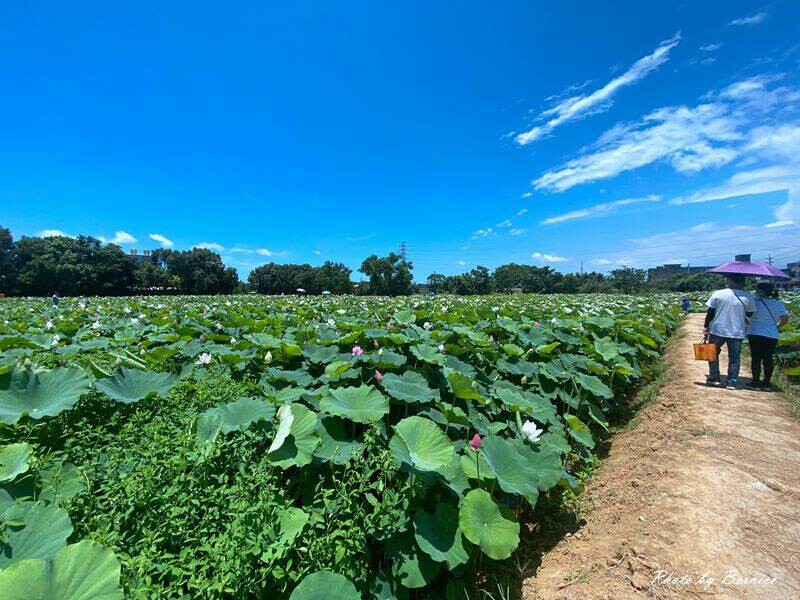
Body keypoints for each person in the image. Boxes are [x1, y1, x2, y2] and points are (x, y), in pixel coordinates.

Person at [703, 275, 755, 389]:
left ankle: (714, 376)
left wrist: (706, 326)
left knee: (712, 353)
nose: (725, 281)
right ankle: (732, 381)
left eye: (727, 279)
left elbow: (710, 312)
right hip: (737, 331)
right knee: (734, 357)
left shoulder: (718, 293)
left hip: (718, 329)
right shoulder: (748, 296)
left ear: (730, 281)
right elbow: (750, 314)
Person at [746, 281, 789, 390]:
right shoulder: (778, 303)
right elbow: (785, 319)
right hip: (771, 335)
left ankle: (755, 382)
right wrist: (777, 327)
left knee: (756, 358)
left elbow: (744, 315)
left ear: (760, 291)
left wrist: (749, 324)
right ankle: (766, 383)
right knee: (768, 359)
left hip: (755, 333)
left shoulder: (755, 302)